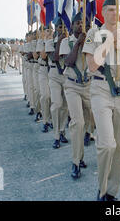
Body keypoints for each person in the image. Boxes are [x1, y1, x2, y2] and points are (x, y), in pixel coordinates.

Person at [83, 0, 120, 201]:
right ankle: (102, 189)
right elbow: (92, 65)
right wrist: (108, 44)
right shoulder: (93, 34)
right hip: (101, 89)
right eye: (111, 9)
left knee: (119, 146)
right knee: (107, 144)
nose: (115, 13)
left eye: (118, 9)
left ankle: (112, 191)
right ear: (103, 13)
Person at [60, 12, 93, 179]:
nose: (80, 26)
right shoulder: (67, 41)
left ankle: (88, 136)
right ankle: (76, 161)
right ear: (72, 25)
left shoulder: (90, 39)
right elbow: (68, 62)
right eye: (77, 23)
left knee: (91, 120)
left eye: (83, 23)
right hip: (72, 85)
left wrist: (87, 42)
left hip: (88, 86)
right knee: (77, 122)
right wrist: (78, 44)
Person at [47, 20, 69, 149]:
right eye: (60, 27)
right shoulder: (51, 41)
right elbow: (54, 57)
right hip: (54, 75)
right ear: (56, 28)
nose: (62, 29)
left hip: (66, 75)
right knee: (57, 104)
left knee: (65, 106)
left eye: (64, 26)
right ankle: (56, 135)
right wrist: (60, 40)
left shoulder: (69, 41)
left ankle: (62, 131)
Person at [37, 27, 52, 130]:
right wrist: (46, 40)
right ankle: (46, 120)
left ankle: (52, 120)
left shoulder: (55, 39)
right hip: (43, 70)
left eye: (50, 29)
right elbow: (43, 55)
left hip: (54, 71)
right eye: (47, 30)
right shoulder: (40, 42)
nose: (49, 31)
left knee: (54, 98)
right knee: (45, 96)